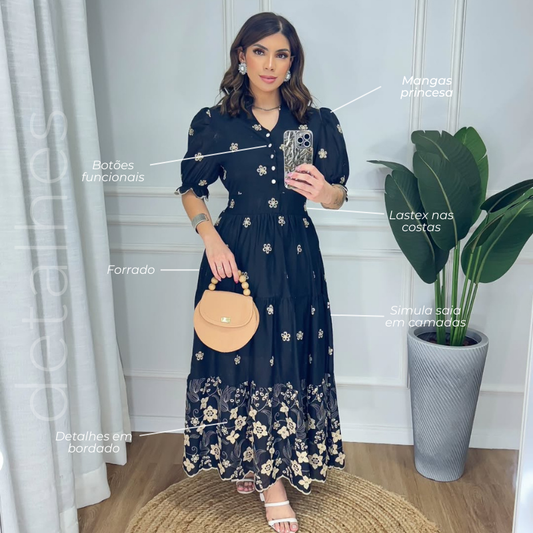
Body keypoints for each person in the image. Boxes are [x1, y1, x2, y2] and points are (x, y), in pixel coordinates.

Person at [176, 12, 349, 533]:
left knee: (285, 355)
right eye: (259, 51)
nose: (270, 64)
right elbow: (191, 189)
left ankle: (265, 466)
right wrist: (210, 237)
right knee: (244, 354)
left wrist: (326, 192)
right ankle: (263, 473)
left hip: (296, 255)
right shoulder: (215, 122)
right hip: (238, 251)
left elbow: (337, 195)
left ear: (292, 62)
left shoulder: (314, 122)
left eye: (281, 54)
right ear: (241, 56)